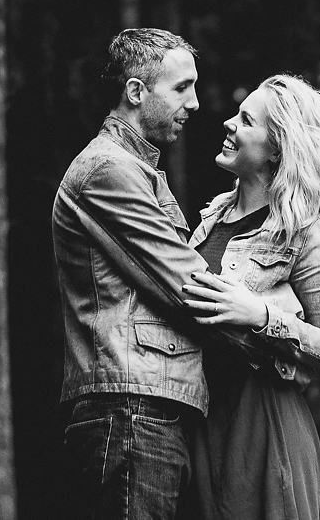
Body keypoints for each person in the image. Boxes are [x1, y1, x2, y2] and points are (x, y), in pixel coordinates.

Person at [52, 28, 241, 520]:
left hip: (147, 408)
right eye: (182, 88)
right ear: (136, 92)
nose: (196, 103)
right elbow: (190, 288)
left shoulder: (137, 170)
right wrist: (279, 324)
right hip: (132, 409)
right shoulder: (107, 170)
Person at [179, 73, 320, 520]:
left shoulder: (303, 234)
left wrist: (260, 316)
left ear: (277, 148)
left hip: (264, 423)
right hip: (201, 416)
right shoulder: (212, 217)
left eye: (245, 120)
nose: (227, 123)